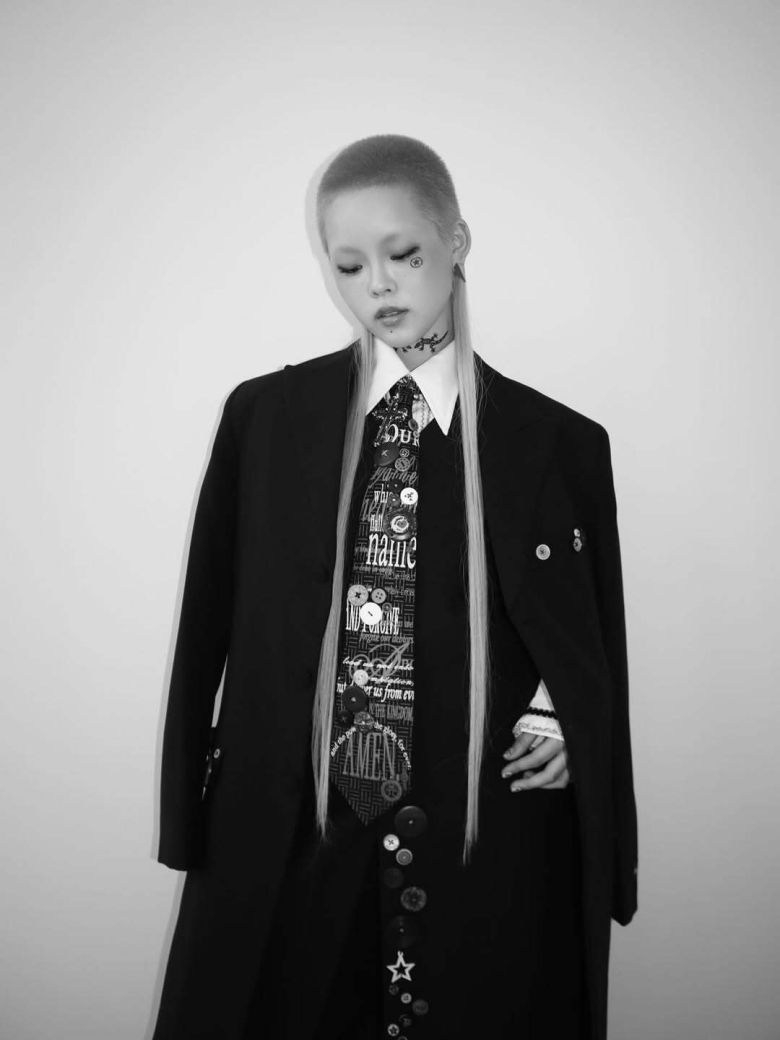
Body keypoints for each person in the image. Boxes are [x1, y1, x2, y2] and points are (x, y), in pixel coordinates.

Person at [152, 134, 638, 1040]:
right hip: (289, 836)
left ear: (457, 241)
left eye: (404, 254)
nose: (377, 285)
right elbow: (207, 619)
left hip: (487, 838)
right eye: (348, 266)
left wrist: (564, 713)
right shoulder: (266, 420)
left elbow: (588, 630)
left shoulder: (557, 443)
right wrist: (189, 814)